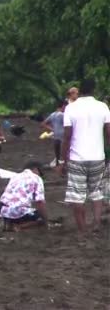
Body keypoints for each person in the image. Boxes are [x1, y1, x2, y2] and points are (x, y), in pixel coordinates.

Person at [61, 78, 110, 236]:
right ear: (94, 89)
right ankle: (96, 223)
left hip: (77, 157)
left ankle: (82, 229)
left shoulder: (71, 108)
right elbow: (109, 133)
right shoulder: (103, 107)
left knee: (77, 195)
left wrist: (62, 160)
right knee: (97, 193)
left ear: (80, 90)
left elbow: (67, 136)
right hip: (98, 156)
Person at [0, 162, 48, 231]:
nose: (40, 175)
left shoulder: (15, 176)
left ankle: (9, 223)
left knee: (20, 207)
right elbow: (40, 202)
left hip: (3, 210)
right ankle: (19, 227)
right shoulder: (36, 178)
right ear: (35, 169)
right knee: (40, 217)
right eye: (40, 173)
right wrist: (45, 221)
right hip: (18, 211)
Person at [42, 100, 67, 166]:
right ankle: (63, 167)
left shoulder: (53, 114)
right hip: (63, 136)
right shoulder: (63, 115)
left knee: (57, 153)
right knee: (64, 153)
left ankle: (57, 166)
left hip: (56, 136)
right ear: (63, 106)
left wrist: (53, 129)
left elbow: (44, 124)